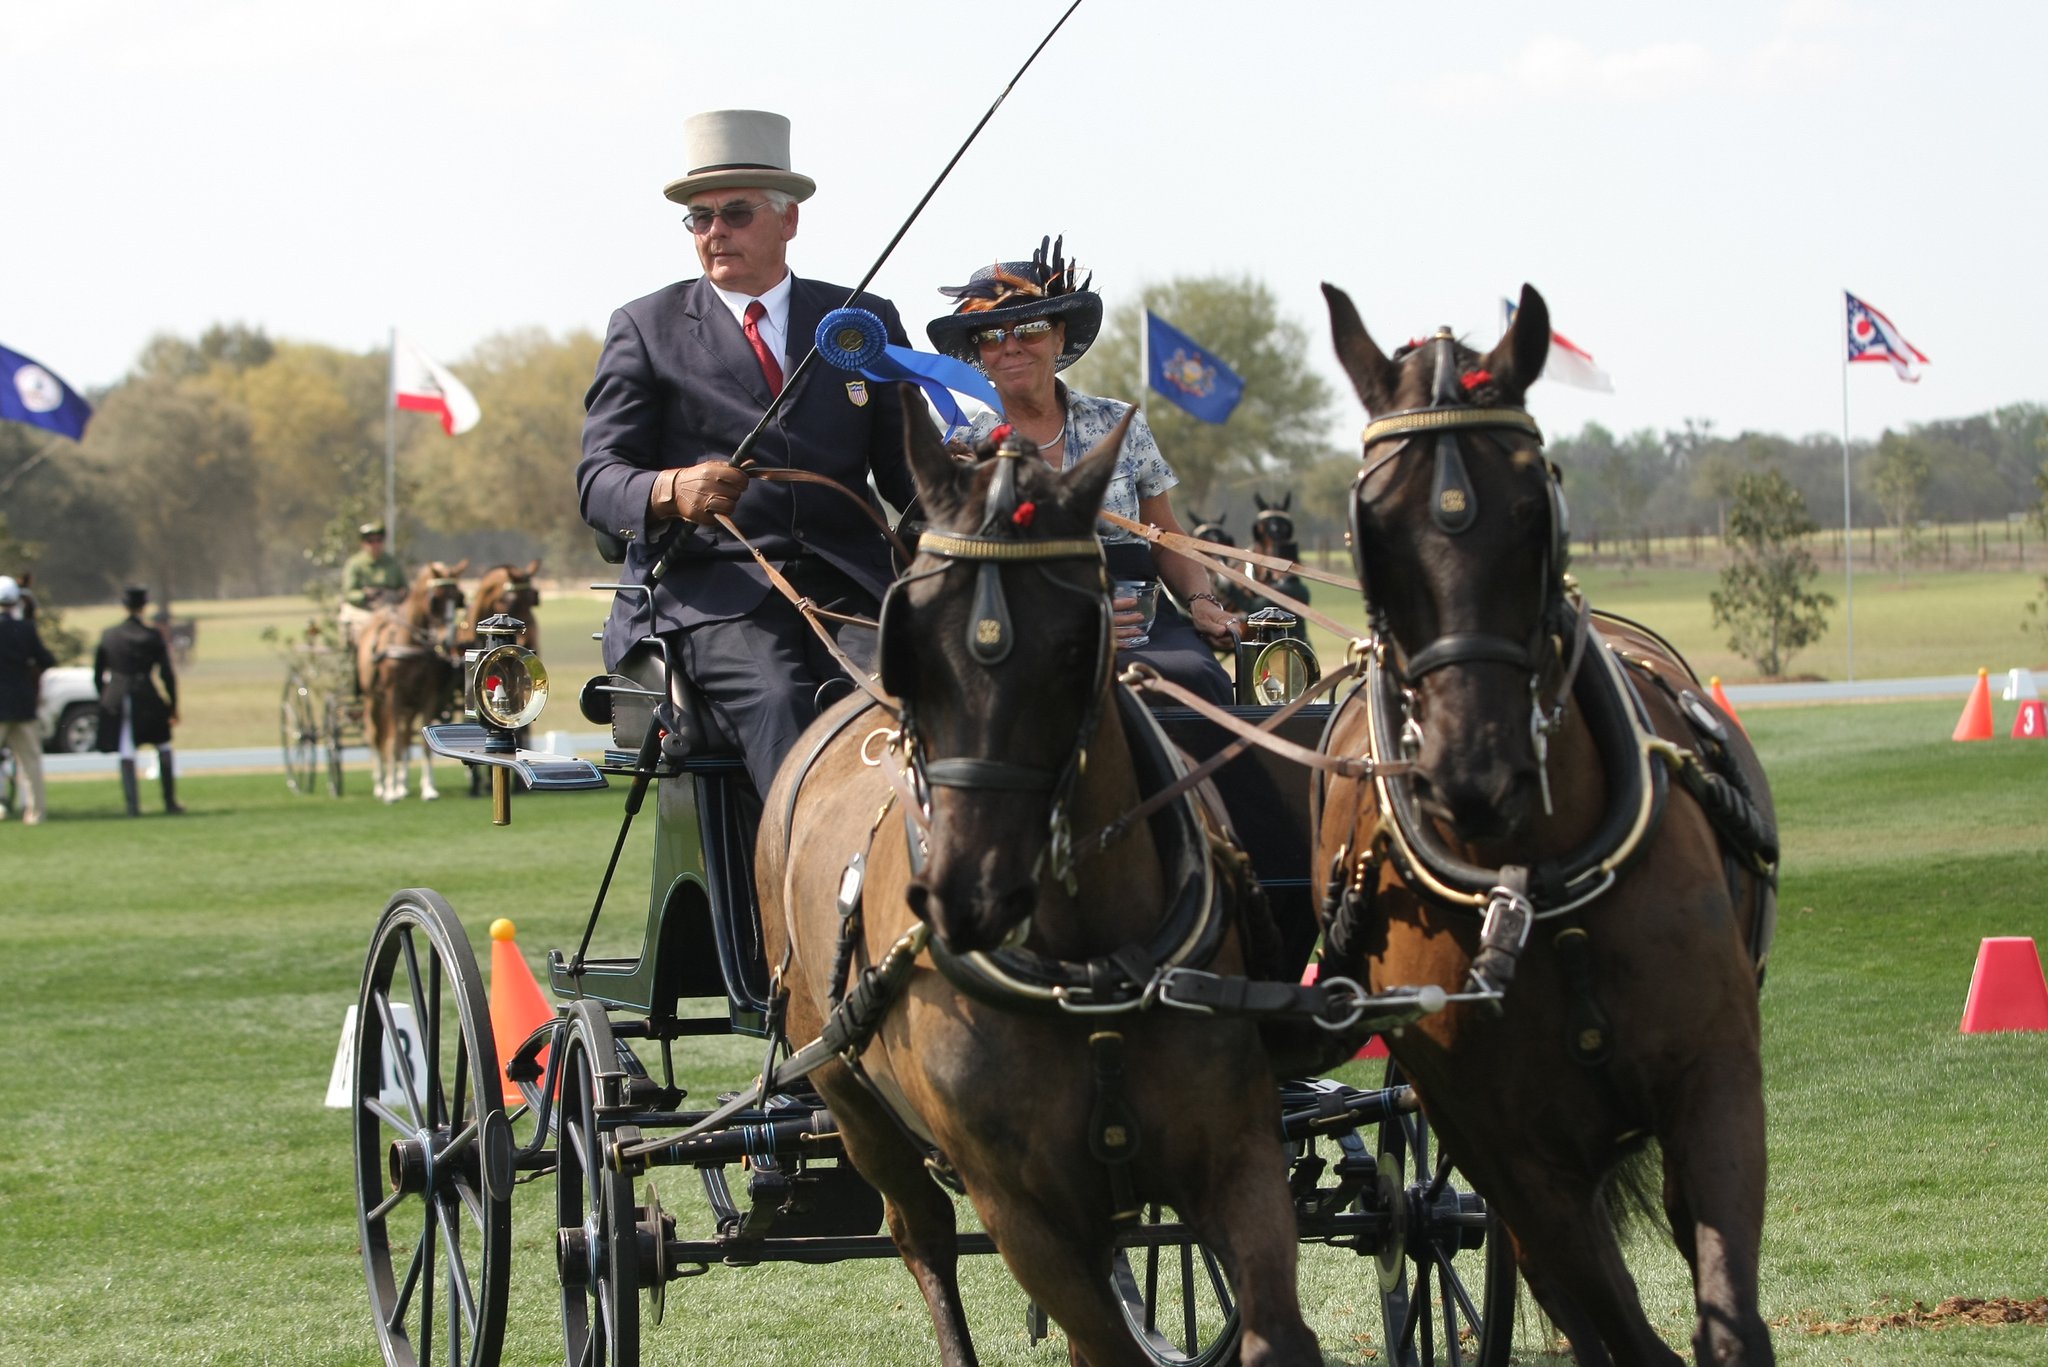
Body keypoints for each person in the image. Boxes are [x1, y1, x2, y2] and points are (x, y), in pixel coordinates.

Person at [577, 108, 915, 798]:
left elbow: (911, 477)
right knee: (779, 701)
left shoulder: (861, 320)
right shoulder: (645, 327)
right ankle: (799, 868)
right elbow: (598, 481)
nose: (715, 232)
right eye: (699, 218)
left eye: (735, 213)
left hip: (849, 585)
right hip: (711, 594)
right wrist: (671, 489)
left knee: (910, 692)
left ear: (789, 220)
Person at [927, 238, 1237, 705]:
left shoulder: (1120, 423)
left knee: (1198, 679)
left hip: (1141, 617)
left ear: (1058, 337)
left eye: (1029, 329)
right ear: (981, 356)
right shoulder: (964, 448)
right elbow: (959, 578)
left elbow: (1166, 536)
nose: (1010, 346)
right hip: (1025, 626)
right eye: (991, 336)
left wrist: (1201, 600)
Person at [95, 585, 183, 816]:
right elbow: (166, 673)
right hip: (146, 694)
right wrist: (173, 704)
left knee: (127, 749)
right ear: (144, 606)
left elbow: (98, 674)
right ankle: (170, 801)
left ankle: (132, 806)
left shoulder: (109, 635)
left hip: (117, 695)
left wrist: (105, 698)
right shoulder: (152, 635)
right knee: (163, 744)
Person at [0, 575, 57, 825]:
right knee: (30, 762)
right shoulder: (26, 629)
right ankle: (35, 812)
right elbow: (47, 660)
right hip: (23, 703)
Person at [339, 522, 406, 647]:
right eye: (370, 541)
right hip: (364, 608)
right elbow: (348, 592)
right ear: (363, 543)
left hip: (390, 606)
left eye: (379, 540)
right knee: (363, 630)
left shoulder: (392, 563)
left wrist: (398, 595)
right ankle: (353, 656)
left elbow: (404, 587)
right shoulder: (355, 564)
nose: (375, 544)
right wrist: (365, 596)